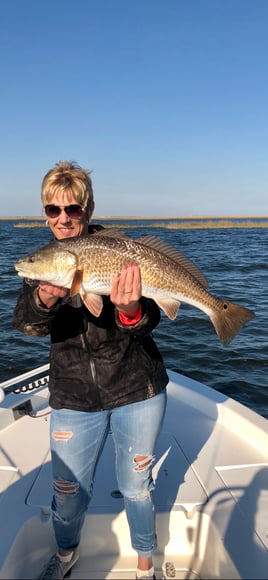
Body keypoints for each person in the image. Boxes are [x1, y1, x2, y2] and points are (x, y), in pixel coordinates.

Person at [13, 161, 169, 580]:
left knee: (137, 488)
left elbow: (150, 319)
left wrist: (133, 311)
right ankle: (66, 556)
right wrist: (45, 297)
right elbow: (26, 323)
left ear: (89, 208)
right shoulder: (47, 261)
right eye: (52, 210)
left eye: (73, 210)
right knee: (66, 496)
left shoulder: (119, 252)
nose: (63, 219)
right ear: (45, 213)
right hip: (73, 396)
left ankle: (144, 565)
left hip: (137, 388)